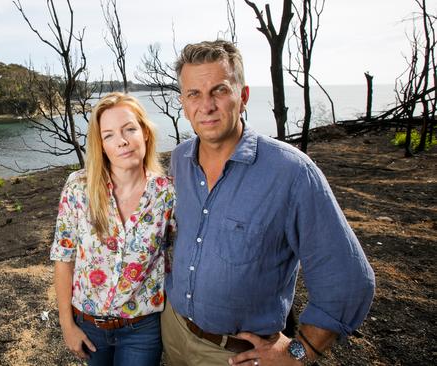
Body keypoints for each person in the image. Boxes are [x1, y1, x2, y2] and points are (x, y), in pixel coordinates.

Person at [161, 40, 375, 366]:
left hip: (237, 355)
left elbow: (348, 279)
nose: (206, 105)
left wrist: (300, 353)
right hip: (174, 332)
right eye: (194, 94)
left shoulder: (291, 172)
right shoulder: (179, 160)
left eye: (219, 91)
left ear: (243, 96)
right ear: (183, 102)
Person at [50, 92, 176, 366]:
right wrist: (67, 325)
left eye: (129, 129)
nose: (121, 141)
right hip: (89, 326)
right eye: (108, 135)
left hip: (142, 329)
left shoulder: (167, 193)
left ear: (144, 132)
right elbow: (63, 258)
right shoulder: (78, 187)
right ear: (101, 145)